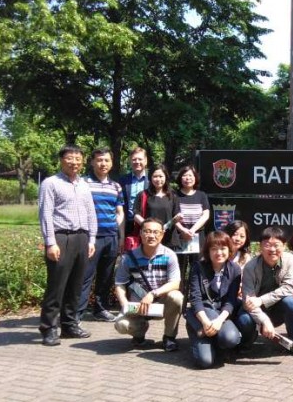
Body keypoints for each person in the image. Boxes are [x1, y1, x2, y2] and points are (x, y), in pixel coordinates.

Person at [38, 144, 98, 346]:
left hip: (82, 238)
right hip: (61, 237)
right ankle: (49, 328)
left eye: (78, 159)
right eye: (70, 158)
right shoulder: (50, 183)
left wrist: (91, 239)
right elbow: (45, 214)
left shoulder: (84, 184)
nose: (74, 162)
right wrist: (50, 242)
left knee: (76, 286)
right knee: (56, 286)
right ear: (61, 160)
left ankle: (70, 325)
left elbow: (91, 213)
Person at [238, 227, 293, 358]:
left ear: (284, 246)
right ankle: (247, 341)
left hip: (277, 308)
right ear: (260, 247)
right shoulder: (250, 267)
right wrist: (264, 320)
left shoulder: (288, 259)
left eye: (276, 245)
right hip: (257, 310)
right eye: (267, 245)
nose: (272, 249)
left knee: (291, 302)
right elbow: (248, 300)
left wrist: (261, 300)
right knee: (244, 319)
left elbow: (289, 288)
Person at [113, 218, 184, 351]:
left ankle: (169, 337)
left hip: (161, 302)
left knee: (177, 297)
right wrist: (124, 305)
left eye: (156, 232)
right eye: (147, 231)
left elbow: (175, 283)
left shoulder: (170, 255)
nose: (151, 235)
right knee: (121, 324)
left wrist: (153, 294)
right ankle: (139, 333)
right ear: (141, 233)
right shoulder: (128, 258)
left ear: (162, 234)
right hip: (138, 305)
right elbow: (119, 283)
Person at [77, 147, 124, 323]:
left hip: (111, 236)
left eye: (106, 160)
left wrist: (115, 224)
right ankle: (77, 313)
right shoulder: (83, 183)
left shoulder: (116, 186)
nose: (103, 163)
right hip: (91, 238)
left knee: (105, 277)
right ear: (92, 162)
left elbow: (120, 211)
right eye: (99, 160)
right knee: (85, 276)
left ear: (111, 163)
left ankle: (101, 309)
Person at [185, 231, 243, 369]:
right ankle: (198, 331)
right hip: (203, 311)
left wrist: (218, 321)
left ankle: (210, 336)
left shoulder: (234, 269)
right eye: (214, 249)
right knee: (205, 362)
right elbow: (196, 299)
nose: (219, 253)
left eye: (223, 248)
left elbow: (231, 301)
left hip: (221, 313)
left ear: (229, 250)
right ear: (208, 251)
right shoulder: (198, 267)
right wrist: (205, 322)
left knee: (231, 338)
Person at [174, 165, 210, 294]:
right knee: (179, 270)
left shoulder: (201, 195)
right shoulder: (174, 195)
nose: (187, 178)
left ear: (195, 178)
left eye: (190, 175)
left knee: (198, 269)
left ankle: (196, 299)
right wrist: (183, 230)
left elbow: (206, 214)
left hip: (197, 237)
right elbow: (173, 215)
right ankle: (179, 302)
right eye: (184, 175)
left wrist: (193, 230)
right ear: (180, 178)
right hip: (179, 236)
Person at [134, 163, 180, 249]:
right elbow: (136, 214)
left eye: (161, 176)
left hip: (169, 239)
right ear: (150, 178)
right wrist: (149, 227)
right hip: (150, 238)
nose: (158, 179)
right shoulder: (143, 195)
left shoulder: (172, 195)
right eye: (155, 176)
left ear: (165, 177)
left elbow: (176, 215)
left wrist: (178, 219)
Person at [119, 147, 149, 237]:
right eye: (134, 159)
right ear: (130, 161)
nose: (137, 162)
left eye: (140, 159)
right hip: (127, 223)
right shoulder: (122, 180)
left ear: (146, 161)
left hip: (147, 222)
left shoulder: (152, 180)